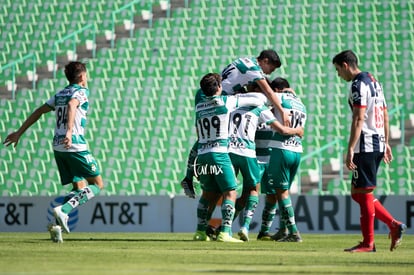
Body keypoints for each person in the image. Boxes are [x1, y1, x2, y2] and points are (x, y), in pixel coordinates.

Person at [3, 61, 104, 241]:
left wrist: (19, 132)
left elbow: (39, 111)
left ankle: (56, 226)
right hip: (75, 145)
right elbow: (73, 105)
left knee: (79, 187)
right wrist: (70, 131)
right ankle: (63, 210)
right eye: (86, 75)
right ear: (82, 77)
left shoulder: (60, 94)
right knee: (97, 185)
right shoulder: (81, 92)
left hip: (58, 147)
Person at [181, 49, 288, 199]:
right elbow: (269, 92)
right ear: (265, 61)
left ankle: (188, 177)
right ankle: (193, 176)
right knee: (206, 138)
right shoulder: (253, 69)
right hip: (218, 99)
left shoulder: (243, 60)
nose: (269, 74)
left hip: (204, 94)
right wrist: (281, 110)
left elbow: (233, 82)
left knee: (204, 138)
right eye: (271, 69)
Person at [332, 50, 406, 252]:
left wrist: (350, 149)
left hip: (365, 144)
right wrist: (386, 141)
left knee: (363, 193)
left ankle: (368, 243)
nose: (340, 75)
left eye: (338, 70)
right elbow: (384, 114)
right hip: (378, 141)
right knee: (357, 193)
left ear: (346, 65)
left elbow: (359, 118)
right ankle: (394, 225)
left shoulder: (358, 84)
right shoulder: (375, 82)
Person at [192, 73, 269, 242]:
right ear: (219, 87)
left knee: (207, 194)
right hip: (219, 153)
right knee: (230, 192)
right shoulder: (226, 102)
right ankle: (225, 232)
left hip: (203, 154)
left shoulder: (199, 106)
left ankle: (200, 232)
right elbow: (257, 101)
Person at [257, 77, 307, 242]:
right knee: (282, 192)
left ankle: (293, 232)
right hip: (297, 150)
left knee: (281, 192)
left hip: (281, 149)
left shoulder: (279, 98)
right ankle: (283, 230)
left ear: (276, 90)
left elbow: (263, 108)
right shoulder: (301, 104)